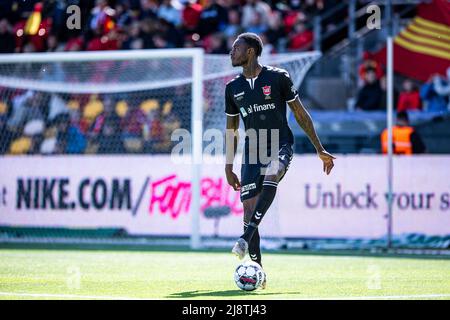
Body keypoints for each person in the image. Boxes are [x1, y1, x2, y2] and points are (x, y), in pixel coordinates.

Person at [224, 33, 335, 288]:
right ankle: (257, 269)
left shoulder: (278, 77)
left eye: (236, 48)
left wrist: (319, 148)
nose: (232, 52)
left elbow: (299, 112)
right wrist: (228, 167)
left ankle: (245, 237)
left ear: (250, 52)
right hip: (252, 151)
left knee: (273, 173)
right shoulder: (233, 88)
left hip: (280, 143)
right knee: (249, 208)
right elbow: (231, 130)